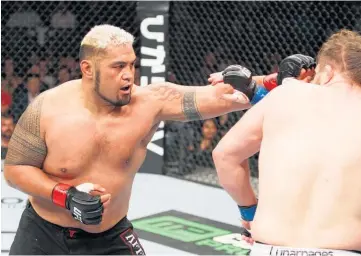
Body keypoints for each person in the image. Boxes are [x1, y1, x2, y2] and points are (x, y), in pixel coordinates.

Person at [3, 24, 265, 255]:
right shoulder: (48, 108)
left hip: (108, 237)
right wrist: (65, 195)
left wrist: (275, 83)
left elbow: (224, 96)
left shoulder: (150, 103)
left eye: (131, 64)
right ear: (88, 69)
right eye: (118, 67)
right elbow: (15, 170)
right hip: (43, 233)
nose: (129, 74)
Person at [212, 29, 361, 255]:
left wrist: (249, 214)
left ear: (328, 72)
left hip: (270, 249)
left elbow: (225, 155)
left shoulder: (285, 95)